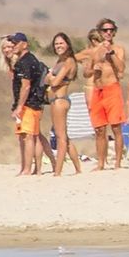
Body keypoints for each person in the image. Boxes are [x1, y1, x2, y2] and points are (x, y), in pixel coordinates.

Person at [83, 18, 128, 170]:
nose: (108, 33)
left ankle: (117, 163)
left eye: (111, 30)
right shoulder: (94, 51)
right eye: (105, 30)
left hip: (112, 88)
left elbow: (121, 69)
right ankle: (101, 163)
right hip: (98, 90)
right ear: (100, 32)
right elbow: (85, 72)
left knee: (116, 127)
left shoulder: (119, 49)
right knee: (99, 129)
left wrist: (111, 53)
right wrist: (93, 69)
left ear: (114, 32)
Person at [8, 32, 48, 176]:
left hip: (29, 104)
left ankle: (27, 169)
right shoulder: (30, 60)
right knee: (34, 135)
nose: (13, 46)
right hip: (35, 102)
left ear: (24, 44)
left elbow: (26, 85)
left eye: (16, 43)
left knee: (28, 136)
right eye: (12, 43)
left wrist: (19, 106)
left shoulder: (25, 62)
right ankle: (36, 169)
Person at [45, 32, 83, 176]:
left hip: (60, 100)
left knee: (60, 137)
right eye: (56, 44)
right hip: (55, 100)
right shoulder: (59, 61)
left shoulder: (69, 61)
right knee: (64, 137)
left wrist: (50, 77)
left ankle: (58, 171)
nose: (58, 46)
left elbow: (55, 82)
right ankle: (78, 168)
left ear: (67, 44)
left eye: (61, 43)